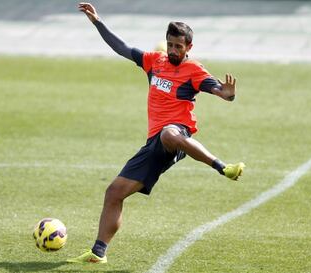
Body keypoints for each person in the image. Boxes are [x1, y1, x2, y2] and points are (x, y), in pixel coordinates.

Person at [68, 2, 245, 264]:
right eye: (170, 44)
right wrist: (97, 22)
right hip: (155, 143)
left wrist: (227, 94)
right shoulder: (154, 61)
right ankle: (98, 253)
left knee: (168, 133)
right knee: (114, 192)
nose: (173, 50)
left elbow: (219, 90)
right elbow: (122, 48)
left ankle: (222, 167)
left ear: (189, 48)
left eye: (179, 46)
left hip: (177, 134)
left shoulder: (194, 71)